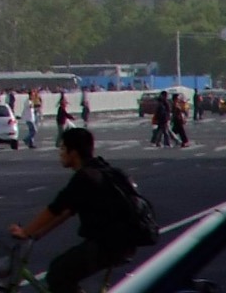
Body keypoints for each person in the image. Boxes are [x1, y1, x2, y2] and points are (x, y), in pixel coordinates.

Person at [10, 126, 154, 293]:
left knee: (58, 274)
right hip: (120, 242)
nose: (60, 153)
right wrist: (37, 234)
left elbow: (56, 208)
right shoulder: (100, 169)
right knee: (61, 272)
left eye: (63, 148)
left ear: (74, 152)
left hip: (110, 243)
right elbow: (67, 211)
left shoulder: (85, 177)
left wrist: (25, 232)